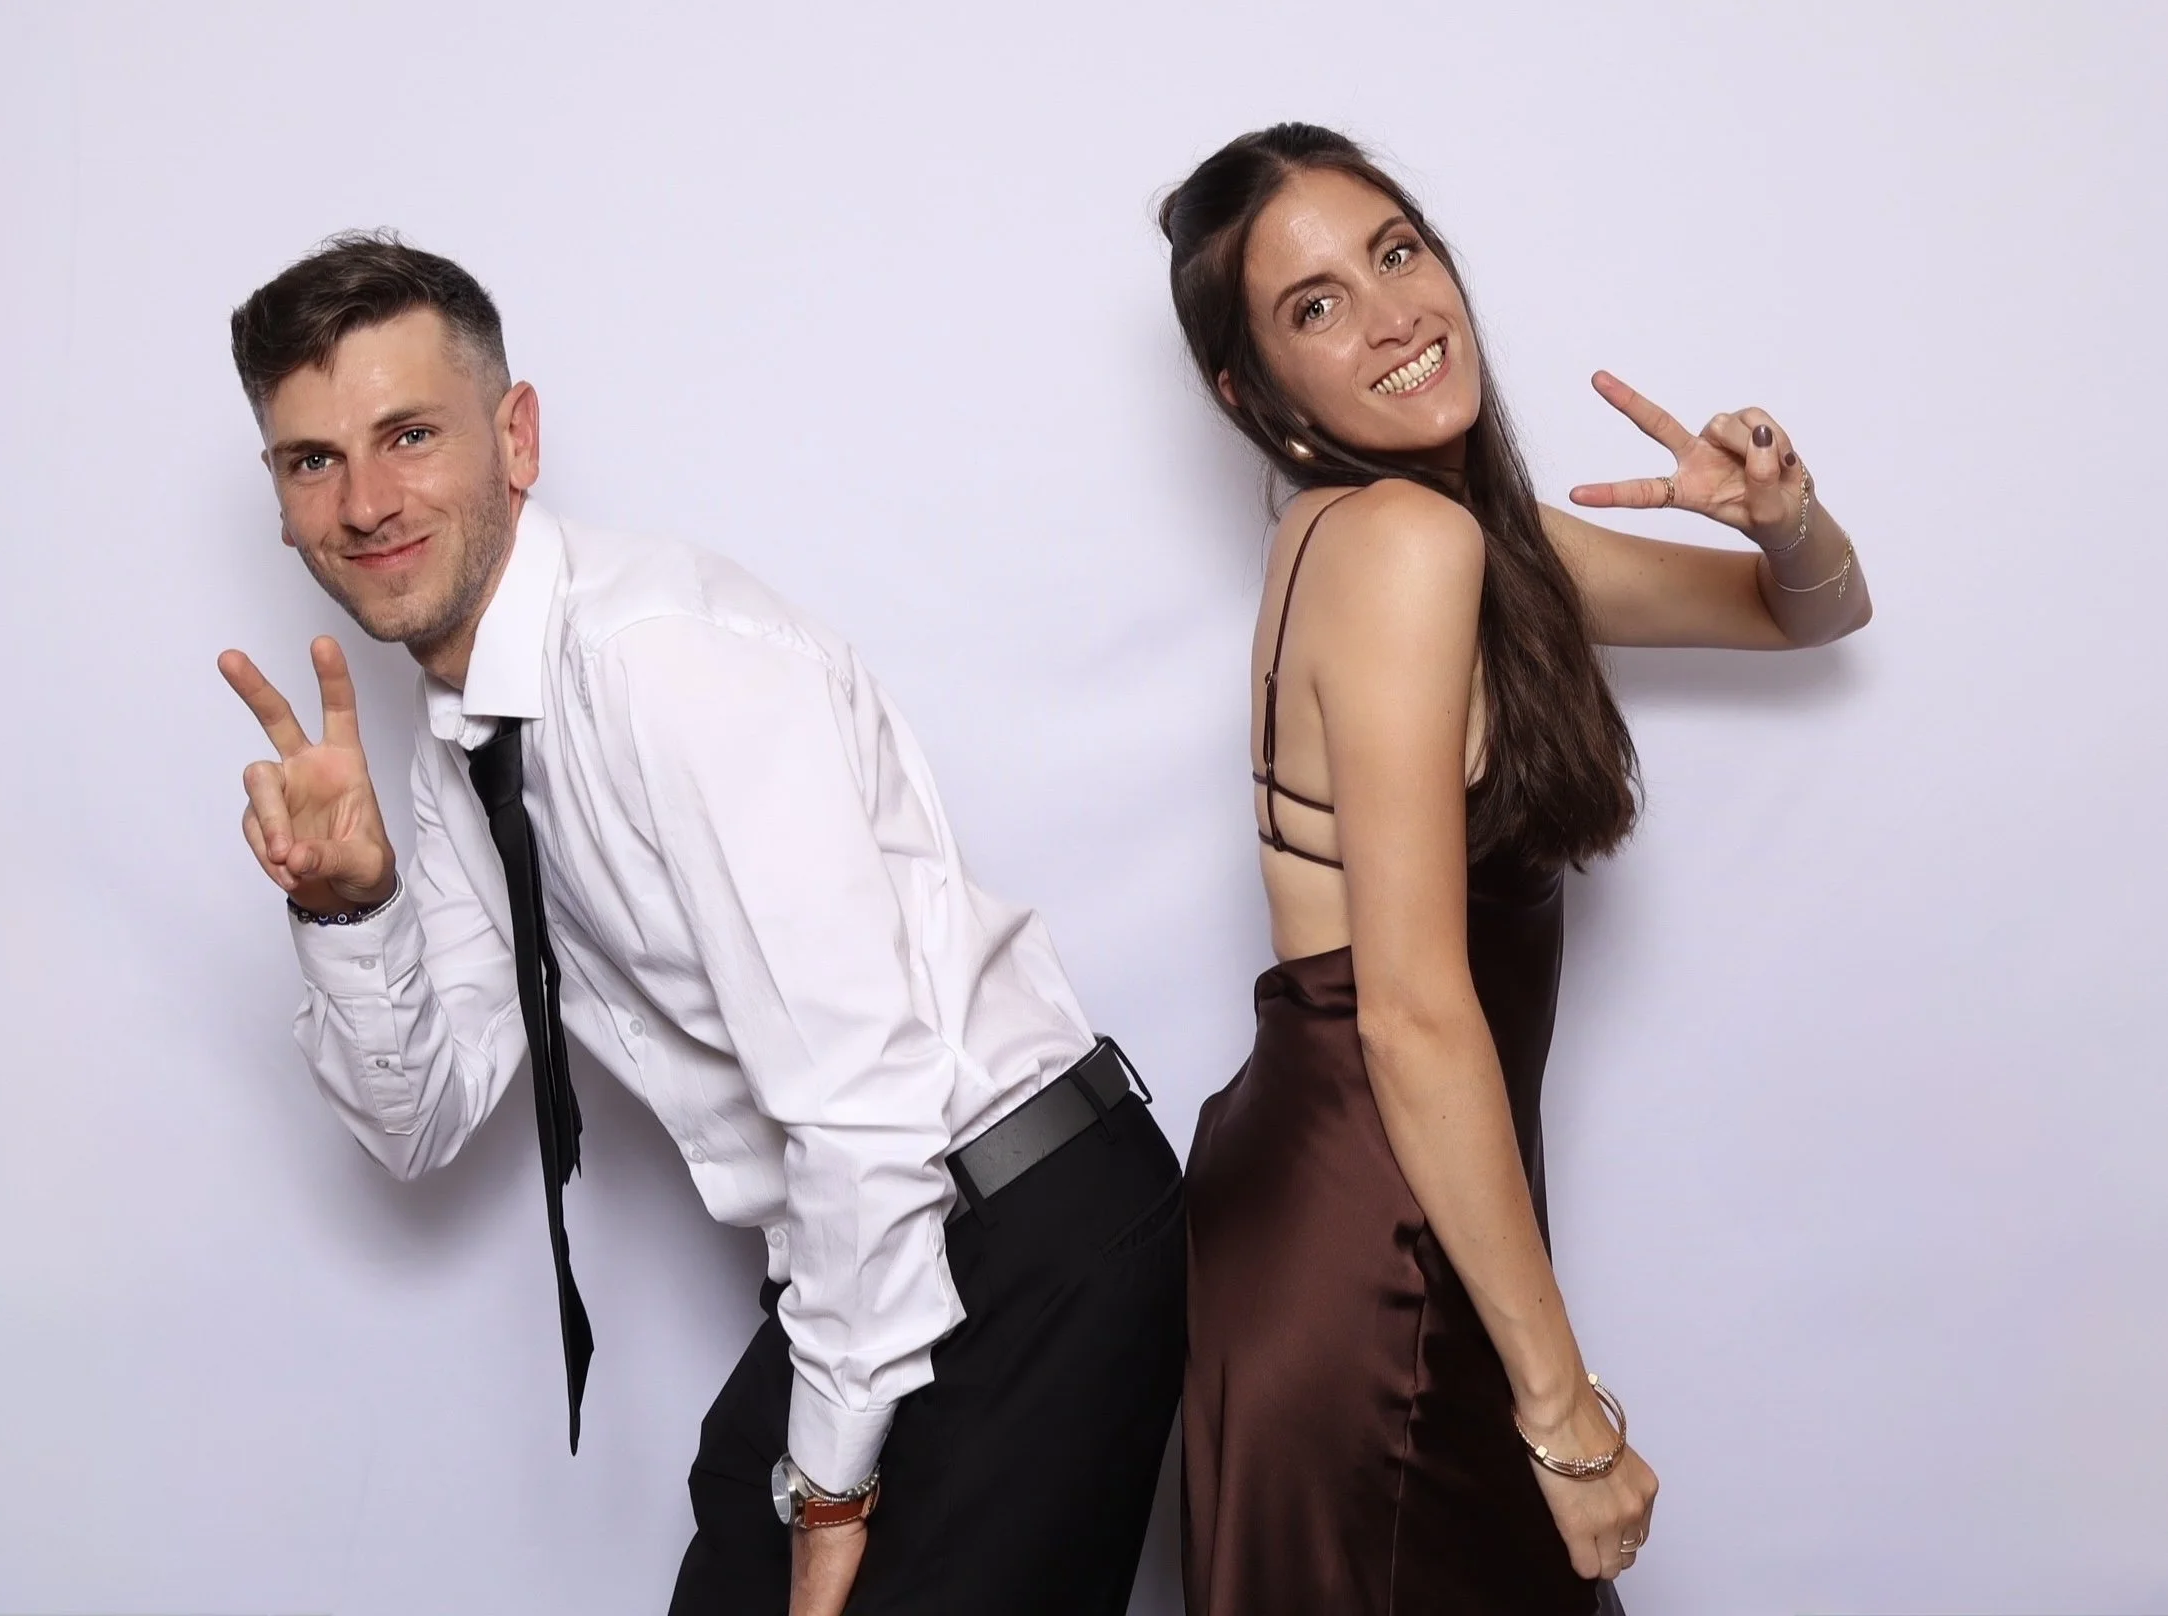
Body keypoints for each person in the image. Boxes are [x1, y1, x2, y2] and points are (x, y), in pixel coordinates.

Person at [214, 234, 1185, 1616]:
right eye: (312, 461)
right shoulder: (467, 752)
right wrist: (351, 907)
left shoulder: (665, 663)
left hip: (1016, 1229)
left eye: (407, 435)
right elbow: (421, 1122)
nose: (365, 502)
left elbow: (861, 1100)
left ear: (516, 436)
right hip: (881, 1248)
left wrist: (832, 1491)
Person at [1158, 125, 1872, 1614]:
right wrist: (1562, 1418)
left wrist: (1777, 514)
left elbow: (1808, 615)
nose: (1392, 313)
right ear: (1252, 396)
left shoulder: (1412, 538)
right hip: (1380, 1245)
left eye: (1394, 253)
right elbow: (1413, 1009)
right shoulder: (1404, 549)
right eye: (1313, 307)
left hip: (1340, 1206)